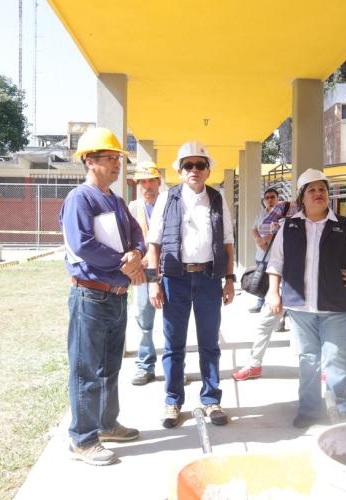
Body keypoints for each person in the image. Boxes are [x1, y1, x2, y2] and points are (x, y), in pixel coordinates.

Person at [59, 127, 147, 466]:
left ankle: (107, 424)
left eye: (118, 159)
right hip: (91, 297)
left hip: (115, 296)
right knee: (86, 370)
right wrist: (124, 264)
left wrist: (136, 254)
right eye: (110, 158)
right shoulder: (80, 199)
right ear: (89, 160)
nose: (117, 164)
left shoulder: (114, 198)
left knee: (110, 367)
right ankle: (82, 439)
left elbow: (136, 233)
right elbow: (83, 245)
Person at [266, 169, 346, 428]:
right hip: (299, 307)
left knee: (335, 357)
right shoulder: (288, 226)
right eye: (312, 190)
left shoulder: (344, 225)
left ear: (329, 195)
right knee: (308, 358)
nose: (318, 194)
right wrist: (273, 291)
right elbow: (276, 261)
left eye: (322, 190)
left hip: (335, 306)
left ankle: (341, 407)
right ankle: (309, 410)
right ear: (302, 197)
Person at [145, 141, 236, 428]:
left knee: (210, 343)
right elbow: (154, 243)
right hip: (175, 279)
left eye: (200, 165)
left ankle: (211, 400)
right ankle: (173, 401)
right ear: (180, 171)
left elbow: (228, 243)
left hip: (209, 279)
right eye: (188, 165)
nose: (194, 170)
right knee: (174, 345)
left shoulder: (217, 199)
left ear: (208, 170)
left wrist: (230, 279)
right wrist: (152, 282)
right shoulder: (167, 199)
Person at [232, 195, 295, 381]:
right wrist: (274, 292)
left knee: (306, 331)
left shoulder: (314, 227)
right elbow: (276, 261)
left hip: (302, 288)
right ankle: (254, 365)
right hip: (282, 284)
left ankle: (320, 369)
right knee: (264, 325)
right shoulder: (282, 220)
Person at [127, 161, 163, 386]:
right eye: (142, 181)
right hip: (143, 273)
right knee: (143, 320)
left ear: (158, 182)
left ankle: (175, 366)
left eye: (150, 180)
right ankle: (145, 366)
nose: (146, 185)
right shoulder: (132, 208)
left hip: (168, 271)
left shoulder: (170, 204)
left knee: (173, 322)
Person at [248, 188, 280, 313]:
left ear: (278, 198)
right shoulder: (261, 213)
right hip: (261, 255)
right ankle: (260, 303)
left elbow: (283, 231)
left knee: (278, 281)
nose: (270, 200)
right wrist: (258, 240)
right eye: (267, 198)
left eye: (272, 197)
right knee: (261, 279)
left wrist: (266, 239)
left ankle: (279, 308)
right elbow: (253, 228)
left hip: (277, 256)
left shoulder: (282, 213)